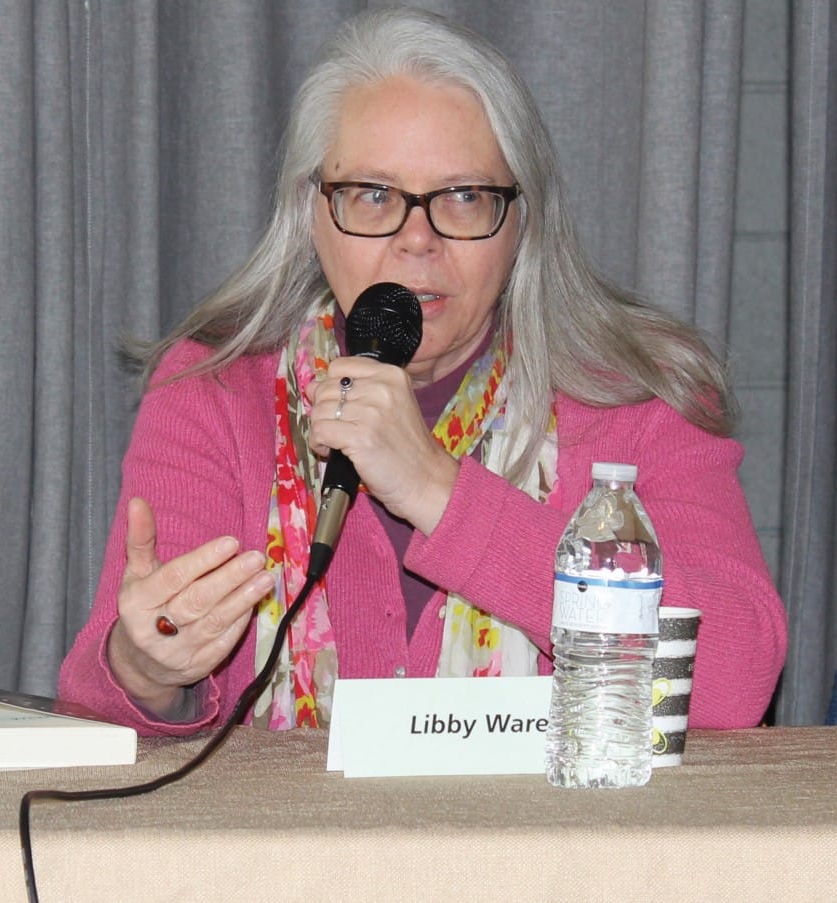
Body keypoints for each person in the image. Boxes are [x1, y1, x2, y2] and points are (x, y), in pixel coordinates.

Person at [58, 7, 787, 736]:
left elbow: (733, 682)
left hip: (556, 849)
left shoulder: (639, 393)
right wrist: (146, 671)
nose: (417, 239)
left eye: (464, 197)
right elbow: (98, 721)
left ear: (521, 225)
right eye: (373, 195)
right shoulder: (214, 390)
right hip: (287, 851)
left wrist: (439, 492)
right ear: (311, 214)